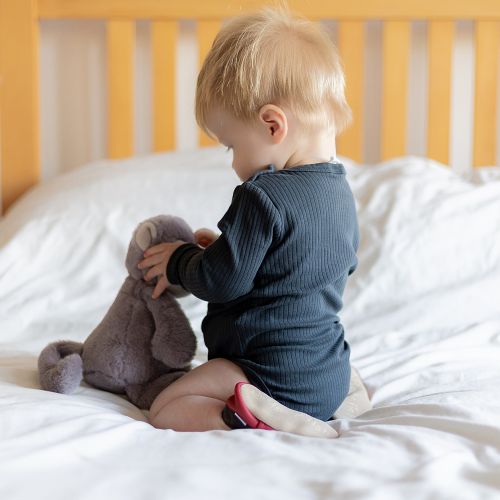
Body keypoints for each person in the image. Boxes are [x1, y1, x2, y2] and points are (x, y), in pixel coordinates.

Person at [137, 5, 358, 438]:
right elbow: (300, 267)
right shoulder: (340, 192)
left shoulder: (261, 195)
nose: (234, 162)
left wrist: (182, 261)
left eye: (232, 146)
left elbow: (221, 282)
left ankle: (251, 416)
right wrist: (225, 247)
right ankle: (337, 401)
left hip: (267, 376)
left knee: (166, 407)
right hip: (327, 375)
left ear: (273, 125)